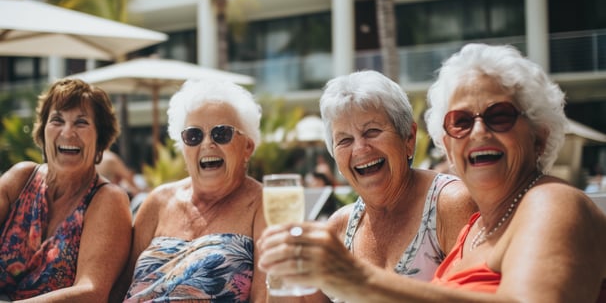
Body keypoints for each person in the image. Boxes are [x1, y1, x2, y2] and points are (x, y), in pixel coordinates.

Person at [257, 44, 606, 302]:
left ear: (539, 136)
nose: (479, 132)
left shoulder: (554, 203)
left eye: (499, 115)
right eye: (461, 121)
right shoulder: (477, 230)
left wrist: (358, 279)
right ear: (446, 143)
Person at [265, 70, 477, 301]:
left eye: (372, 132)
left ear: (408, 138)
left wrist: (362, 280)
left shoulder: (451, 204)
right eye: (345, 140)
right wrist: (279, 273)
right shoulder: (339, 228)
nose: (360, 149)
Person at [112, 79, 267, 302]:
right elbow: (119, 289)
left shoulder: (262, 204)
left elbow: (268, 296)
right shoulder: (159, 200)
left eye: (221, 133)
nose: (206, 144)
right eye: (193, 135)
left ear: (248, 147)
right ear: (183, 147)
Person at [0, 78, 132, 301]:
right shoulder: (21, 178)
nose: (68, 132)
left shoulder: (107, 199)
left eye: (81, 123)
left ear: (100, 138)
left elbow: (92, 292)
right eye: (57, 120)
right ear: (43, 132)